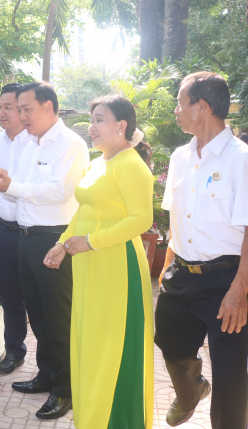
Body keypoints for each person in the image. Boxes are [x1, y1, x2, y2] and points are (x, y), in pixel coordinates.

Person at [156, 72, 248, 429]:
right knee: (169, 343)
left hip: (225, 280)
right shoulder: (179, 157)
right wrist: (167, 267)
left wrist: (239, 289)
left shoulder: (242, 160)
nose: (175, 111)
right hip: (181, 274)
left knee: (229, 373)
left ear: (201, 107)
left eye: (179, 103)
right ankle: (192, 391)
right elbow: (176, 218)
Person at [0, 81, 89, 419]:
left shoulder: (70, 144)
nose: (21, 115)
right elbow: (19, 187)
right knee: (38, 314)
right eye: (19, 109)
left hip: (52, 238)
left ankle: (65, 388)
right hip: (25, 238)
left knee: (58, 317)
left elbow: (59, 191)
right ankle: (47, 374)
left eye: (26, 109)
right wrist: (5, 183)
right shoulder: (31, 145)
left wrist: (11, 186)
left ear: (48, 107)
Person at [44, 96, 155, 429]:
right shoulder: (97, 163)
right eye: (92, 120)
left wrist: (91, 241)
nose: (91, 127)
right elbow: (83, 212)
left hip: (117, 268)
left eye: (99, 120)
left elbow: (141, 220)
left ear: (121, 125)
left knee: (112, 347)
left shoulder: (131, 165)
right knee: (90, 345)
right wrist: (63, 243)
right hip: (89, 265)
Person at [0, 83, 36, 374]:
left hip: (33, 231)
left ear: (24, 110)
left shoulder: (36, 143)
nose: (1, 112)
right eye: (0, 107)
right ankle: (14, 350)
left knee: (37, 296)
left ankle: (49, 362)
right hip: (2, 228)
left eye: (8, 107)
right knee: (9, 292)